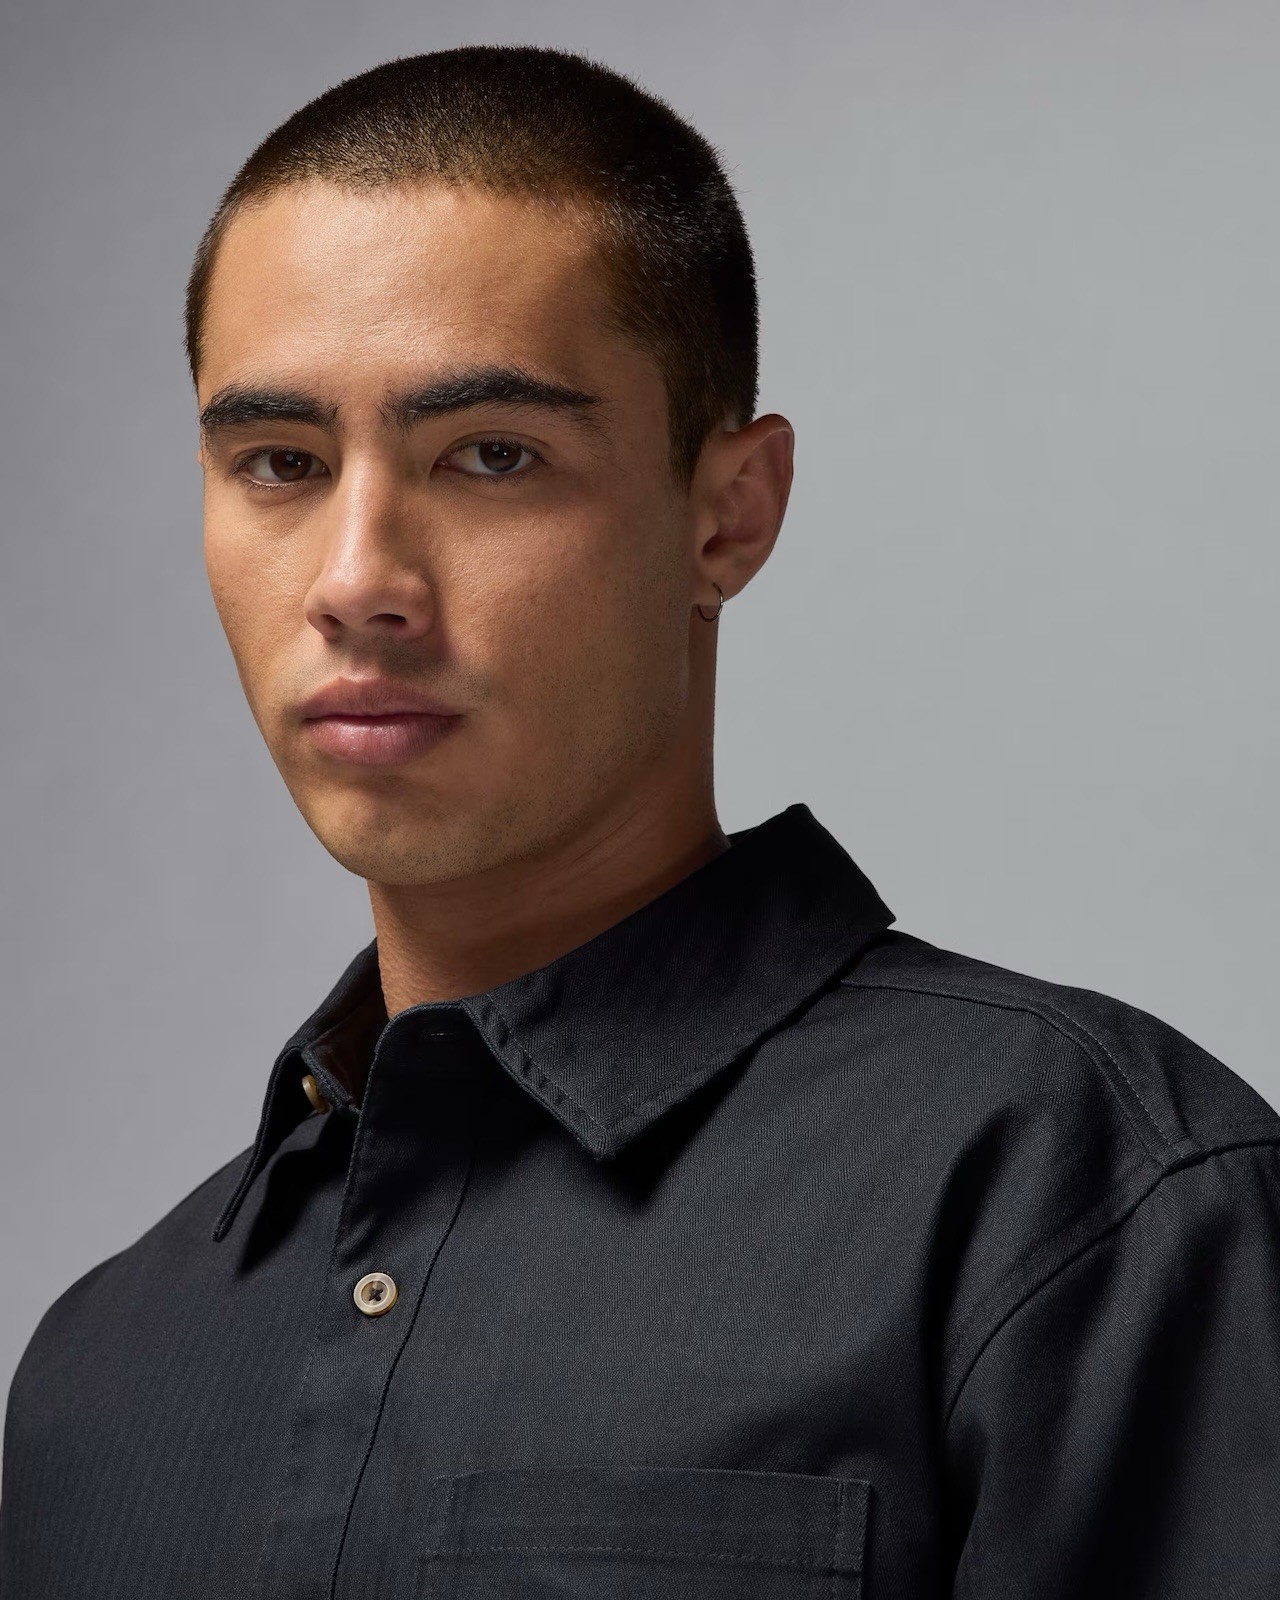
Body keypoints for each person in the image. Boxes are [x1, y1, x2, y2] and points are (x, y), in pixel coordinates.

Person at [2, 43, 1277, 1600]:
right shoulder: (94, 1377)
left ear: (728, 513)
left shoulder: (1077, 1194)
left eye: (491, 455)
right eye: (280, 463)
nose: (355, 581)